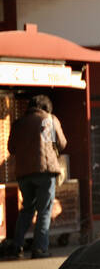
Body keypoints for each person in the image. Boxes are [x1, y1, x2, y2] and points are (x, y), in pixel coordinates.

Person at [1, 94, 66, 259]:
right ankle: (40, 249)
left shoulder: (19, 124)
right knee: (44, 210)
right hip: (45, 172)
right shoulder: (49, 120)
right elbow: (61, 143)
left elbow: (11, 148)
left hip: (24, 174)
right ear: (46, 108)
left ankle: (17, 246)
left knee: (27, 209)